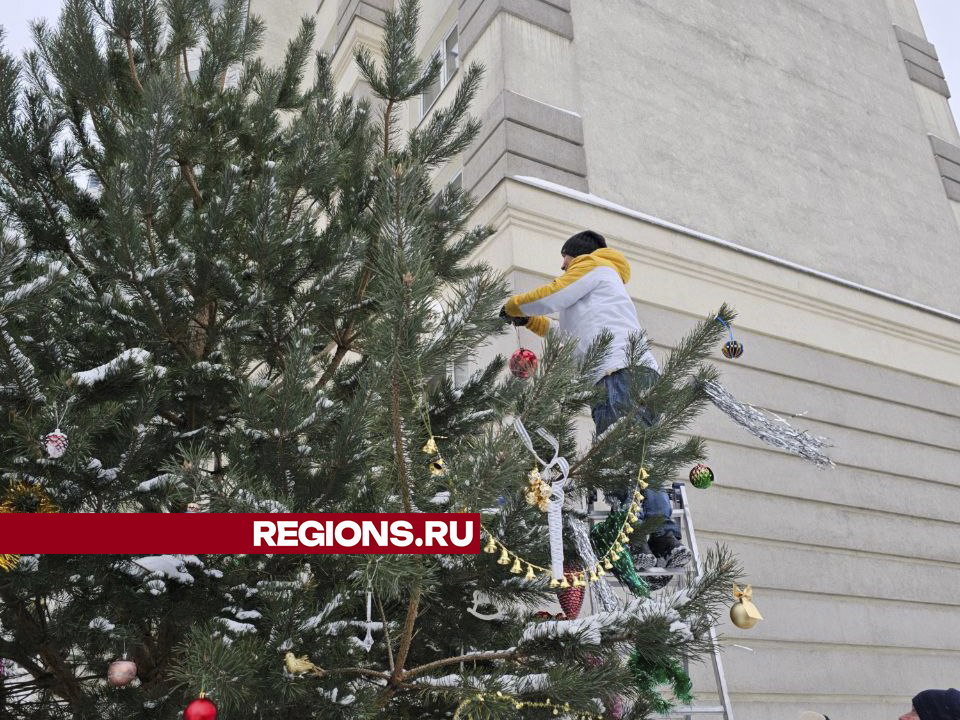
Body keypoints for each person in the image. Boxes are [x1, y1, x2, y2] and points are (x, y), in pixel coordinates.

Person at [500, 229, 692, 575]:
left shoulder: (595, 268)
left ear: (578, 255)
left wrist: (513, 306)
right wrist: (530, 321)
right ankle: (665, 539)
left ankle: (634, 540)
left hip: (616, 374)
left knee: (619, 458)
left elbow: (553, 295)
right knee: (642, 458)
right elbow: (571, 337)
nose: (562, 267)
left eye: (565, 259)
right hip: (635, 372)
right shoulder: (602, 287)